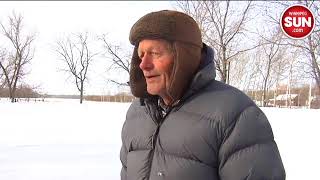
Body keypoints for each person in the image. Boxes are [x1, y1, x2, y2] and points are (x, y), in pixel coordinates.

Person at [120, 10, 285, 180]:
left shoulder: (235, 114)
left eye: (155, 53)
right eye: (140, 56)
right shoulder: (137, 113)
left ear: (185, 56)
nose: (144, 65)